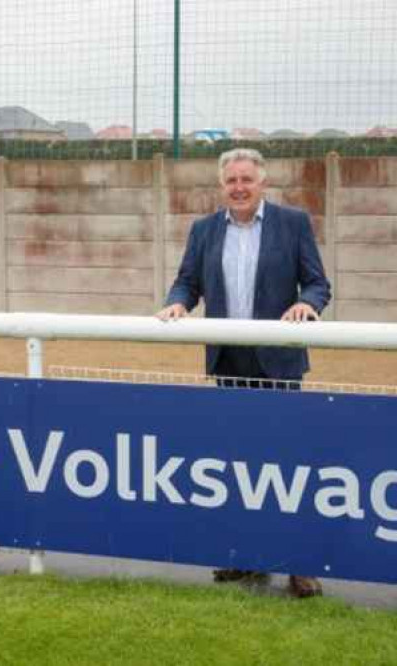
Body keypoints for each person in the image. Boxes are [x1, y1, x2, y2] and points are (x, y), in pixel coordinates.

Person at [155, 148, 331, 598]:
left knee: (286, 464)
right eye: (230, 180)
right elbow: (187, 282)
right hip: (229, 364)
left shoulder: (293, 224)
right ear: (221, 185)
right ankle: (242, 557)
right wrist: (177, 301)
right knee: (234, 465)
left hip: (279, 363)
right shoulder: (204, 230)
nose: (238, 187)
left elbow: (317, 283)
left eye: (246, 180)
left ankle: (298, 564)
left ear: (263, 183)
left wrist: (306, 304)